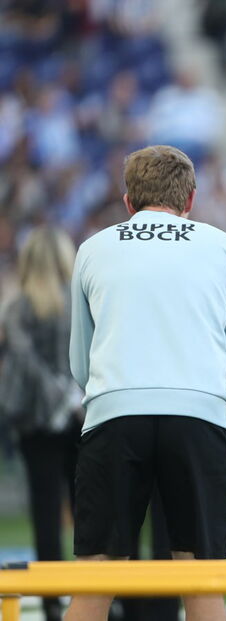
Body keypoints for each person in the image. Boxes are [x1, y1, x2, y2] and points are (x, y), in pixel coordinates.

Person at [67, 145, 226, 621]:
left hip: (113, 413)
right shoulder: (224, 246)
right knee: (200, 583)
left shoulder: (93, 248)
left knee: (93, 585)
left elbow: (80, 366)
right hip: (200, 415)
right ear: (190, 198)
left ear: (127, 201)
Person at [0, 227, 82, 621]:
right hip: (80, 416)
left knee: (45, 512)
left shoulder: (18, 307)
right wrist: (69, 396)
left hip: (35, 421)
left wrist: (52, 395)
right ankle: (99, 597)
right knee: (89, 512)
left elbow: (23, 360)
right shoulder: (79, 303)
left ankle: (52, 604)